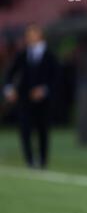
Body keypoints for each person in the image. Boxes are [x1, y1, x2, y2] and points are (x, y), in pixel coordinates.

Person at [2, 24, 58, 169]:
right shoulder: (22, 55)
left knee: (42, 130)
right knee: (25, 129)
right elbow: (10, 74)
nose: (30, 37)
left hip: (43, 101)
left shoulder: (50, 56)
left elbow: (56, 78)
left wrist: (44, 90)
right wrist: (9, 90)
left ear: (40, 35)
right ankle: (29, 160)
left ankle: (43, 160)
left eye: (33, 34)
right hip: (25, 99)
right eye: (28, 34)